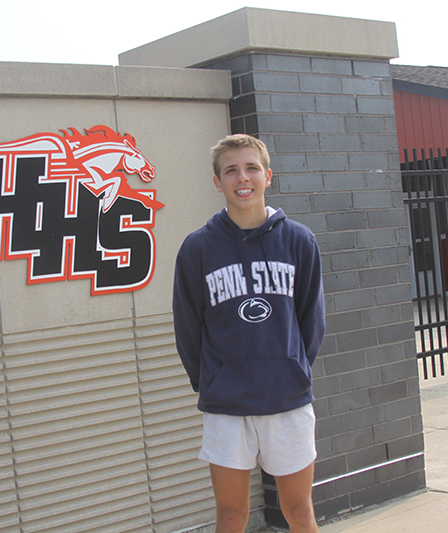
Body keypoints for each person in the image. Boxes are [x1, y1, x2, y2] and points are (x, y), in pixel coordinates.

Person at [172, 134, 326, 533]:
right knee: (230, 516)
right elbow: (189, 327)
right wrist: (211, 380)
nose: (243, 178)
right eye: (231, 170)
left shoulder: (298, 240)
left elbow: (312, 318)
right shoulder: (197, 248)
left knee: (299, 511)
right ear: (217, 181)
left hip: (287, 399)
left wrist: (292, 368)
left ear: (268, 176)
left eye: (251, 168)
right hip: (227, 404)